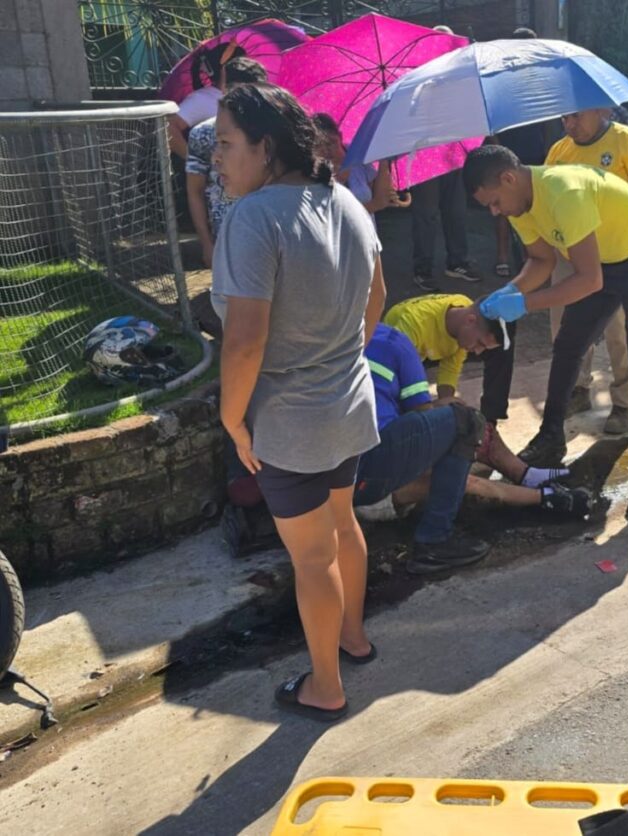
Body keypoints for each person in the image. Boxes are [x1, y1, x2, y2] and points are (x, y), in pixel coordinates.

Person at [212, 82, 387, 722]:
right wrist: (339, 357)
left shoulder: (254, 218)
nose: (216, 158)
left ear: (265, 147)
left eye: (226, 143)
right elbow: (378, 296)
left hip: (290, 419)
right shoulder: (346, 202)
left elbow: (245, 340)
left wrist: (232, 418)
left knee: (313, 558)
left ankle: (325, 687)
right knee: (343, 525)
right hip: (349, 403)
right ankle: (353, 638)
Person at [464, 145, 628, 518]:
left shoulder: (564, 193)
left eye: (495, 202)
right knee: (568, 345)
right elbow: (541, 260)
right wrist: (511, 290)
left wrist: (525, 303)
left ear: (509, 178)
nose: (495, 211)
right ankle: (551, 437)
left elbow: (589, 280)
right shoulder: (520, 204)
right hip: (604, 261)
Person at [353, 324, 589, 574]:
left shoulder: (336, 339)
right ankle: (435, 541)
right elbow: (472, 482)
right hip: (371, 479)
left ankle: (531, 480)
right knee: (468, 424)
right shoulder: (392, 340)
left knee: (466, 431)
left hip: (338, 479)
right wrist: (546, 498)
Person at [544, 106, 628, 435]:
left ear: (601, 110)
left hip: (620, 254)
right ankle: (577, 390)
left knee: (620, 331)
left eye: (576, 116)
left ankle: (625, 403)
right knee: (565, 329)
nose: (570, 124)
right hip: (571, 252)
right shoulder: (559, 152)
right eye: (564, 118)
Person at [406, 24, 482, 291]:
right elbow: (410, 115)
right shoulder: (416, 76)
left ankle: (457, 261)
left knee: (456, 212)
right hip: (424, 158)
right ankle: (423, 268)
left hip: (453, 155)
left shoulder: (459, 78)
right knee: (426, 215)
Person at [186, 57, 268, 268]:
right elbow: (195, 191)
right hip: (225, 234)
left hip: (268, 229)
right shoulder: (203, 134)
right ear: (225, 91)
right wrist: (206, 243)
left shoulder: (272, 133)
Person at [382, 293, 515, 424]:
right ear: (470, 321)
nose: (478, 351)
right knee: (402, 412)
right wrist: (432, 406)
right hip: (391, 357)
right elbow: (405, 386)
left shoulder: (465, 317)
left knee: (502, 351)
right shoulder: (413, 325)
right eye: (480, 343)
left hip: (427, 349)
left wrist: (449, 405)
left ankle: (490, 422)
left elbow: (451, 367)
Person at [491, 26, 549, 278]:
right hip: (506, 149)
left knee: (532, 204)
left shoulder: (539, 77)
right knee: (502, 205)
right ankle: (502, 255)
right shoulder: (500, 79)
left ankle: (531, 255)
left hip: (534, 149)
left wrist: (546, 147)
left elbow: (545, 118)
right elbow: (492, 120)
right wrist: (497, 147)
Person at [311, 113, 410, 217]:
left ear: (340, 137)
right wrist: (374, 205)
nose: (326, 150)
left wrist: (383, 159)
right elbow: (334, 216)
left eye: (331, 142)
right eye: (319, 145)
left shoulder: (356, 154)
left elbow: (380, 197)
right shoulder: (314, 171)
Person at [168, 40, 247, 159]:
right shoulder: (202, 98)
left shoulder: (244, 96)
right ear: (224, 68)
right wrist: (195, 161)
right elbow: (168, 128)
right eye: (242, 64)